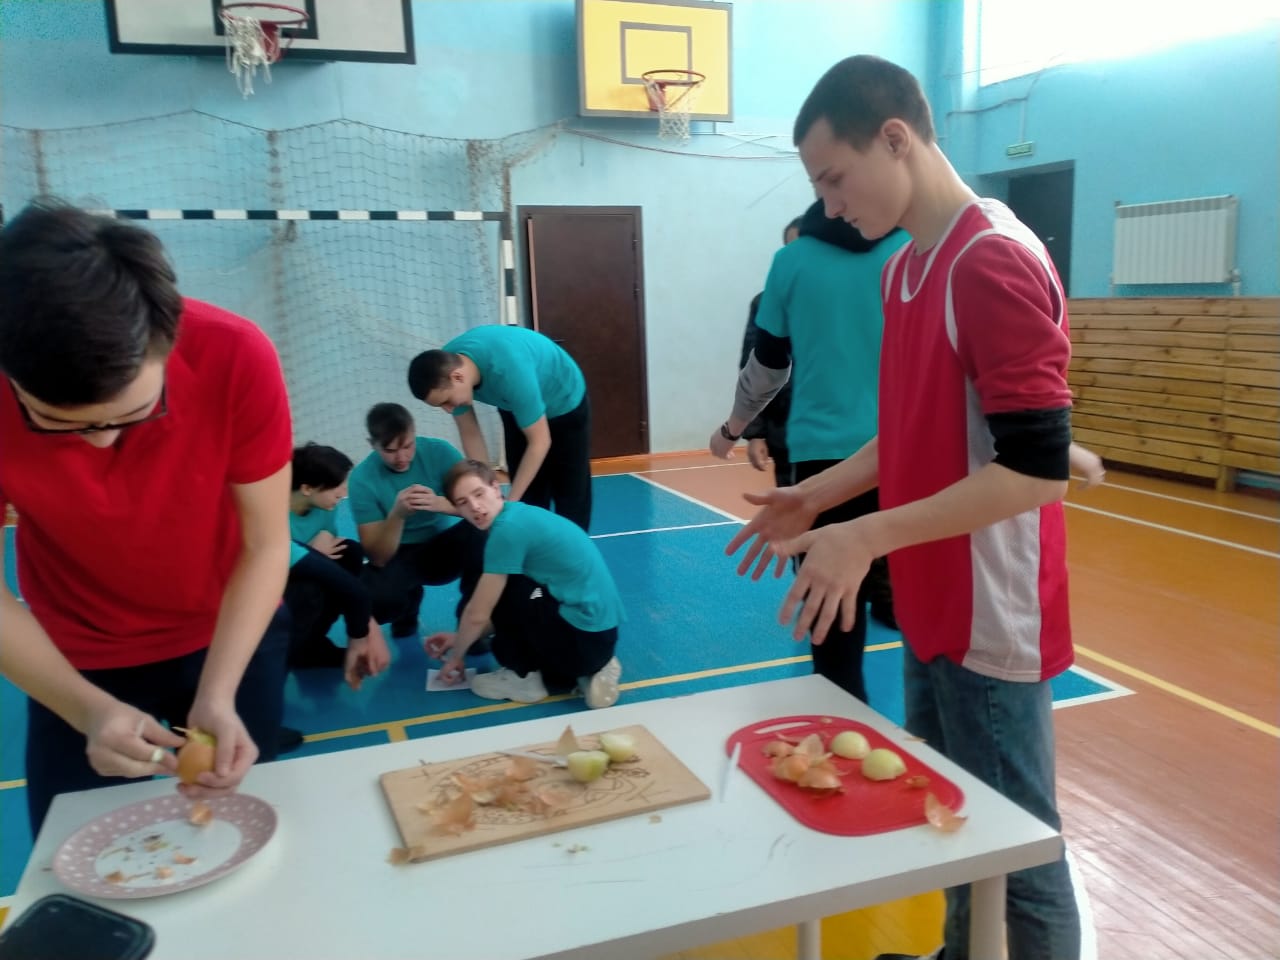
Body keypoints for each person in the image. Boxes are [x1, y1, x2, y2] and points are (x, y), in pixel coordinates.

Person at [726, 56, 1082, 960]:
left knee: (1020, 849)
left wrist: (866, 534)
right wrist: (816, 496)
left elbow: (1038, 472)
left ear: (895, 138)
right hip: (931, 595)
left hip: (990, 610)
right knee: (951, 809)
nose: (829, 203)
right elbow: (914, 431)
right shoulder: (907, 268)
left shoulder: (991, 258)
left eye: (834, 178)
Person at [0, 200, 294, 834]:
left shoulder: (234, 354)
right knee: (72, 849)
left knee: (240, 835)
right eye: (56, 424)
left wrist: (217, 693)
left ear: (167, 336)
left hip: (229, 631)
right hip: (75, 650)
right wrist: (86, 710)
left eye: (131, 415)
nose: (101, 442)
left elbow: (266, 544)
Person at [711, 200, 908, 701]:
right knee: (914, 594)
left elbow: (766, 364)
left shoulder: (792, 262)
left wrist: (735, 426)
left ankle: (839, 718)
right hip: (909, 445)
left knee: (831, 611)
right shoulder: (914, 248)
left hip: (824, 459)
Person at [425, 459, 623, 708]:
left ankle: (524, 677)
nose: (475, 507)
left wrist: (456, 657)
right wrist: (459, 638)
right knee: (519, 587)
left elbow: (478, 613)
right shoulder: (518, 514)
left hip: (583, 645)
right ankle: (590, 671)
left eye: (479, 494)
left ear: (496, 488)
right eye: (463, 502)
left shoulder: (506, 532)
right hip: (601, 640)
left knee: (503, 589)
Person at [407, 325, 592, 531]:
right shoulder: (445, 368)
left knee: (570, 495)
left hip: (563, 401)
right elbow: (470, 434)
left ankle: (572, 546)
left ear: (458, 377)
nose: (448, 410)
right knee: (529, 497)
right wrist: (487, 495)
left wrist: (508, 503)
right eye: (440, 405)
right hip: (514, 403)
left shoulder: (510, 372)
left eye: (447, 401)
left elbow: (540, 442)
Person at [347, 403, 483, 638]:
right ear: (372, 444)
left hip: (442, 548)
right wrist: (397, 515)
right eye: (390, 450)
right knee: (374, 599)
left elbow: (487, 506)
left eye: (408, 446)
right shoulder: (362, 480)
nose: (402, 458)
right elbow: (378, 558)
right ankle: (406, 609)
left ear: (414, 433)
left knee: (486, 532)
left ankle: (472, 624)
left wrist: (441, 503)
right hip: (399, 554)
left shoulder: (440, 453)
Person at [286, 443, 390, 689]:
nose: (342, 493)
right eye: (335, 487)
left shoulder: (323, 506)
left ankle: (311, 643)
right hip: (275, 589)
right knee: (309, 591)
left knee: (349, 553)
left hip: (309, 567)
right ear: (307, 488)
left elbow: (330, 550)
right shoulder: (273, 515)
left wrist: (323, 540)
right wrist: (311, 551)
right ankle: (286, 653)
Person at [739, 215, 803, 486]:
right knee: (791, 503)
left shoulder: (845, 300)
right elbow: (754, 370)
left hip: (839, 433)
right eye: (791, 250)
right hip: (784, 429)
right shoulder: (766, 304)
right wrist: (755, 433)